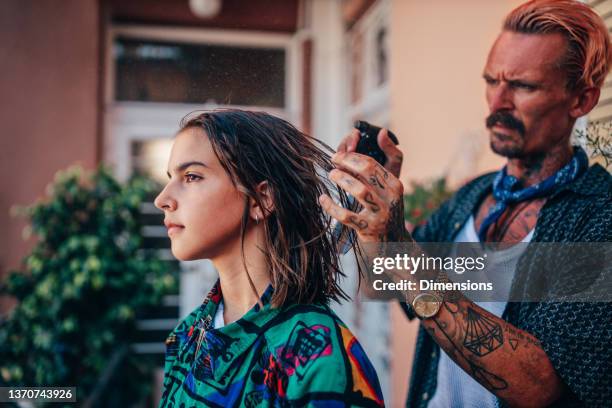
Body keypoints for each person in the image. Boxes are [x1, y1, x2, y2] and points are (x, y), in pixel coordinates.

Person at [320, 0, 612, 406]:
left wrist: (400, 250)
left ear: (581, 100)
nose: (497, 103)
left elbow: (540, 386)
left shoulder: (600, 216)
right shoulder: (471, 196)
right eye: (492, 81)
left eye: (522, 86)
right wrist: (375, 223)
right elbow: (390, 286)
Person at [154, 109, 384, 407]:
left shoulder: (317, 358)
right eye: (171, 177)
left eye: (192, 176)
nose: (162, 199)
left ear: (262, 199)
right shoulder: (187, 335)